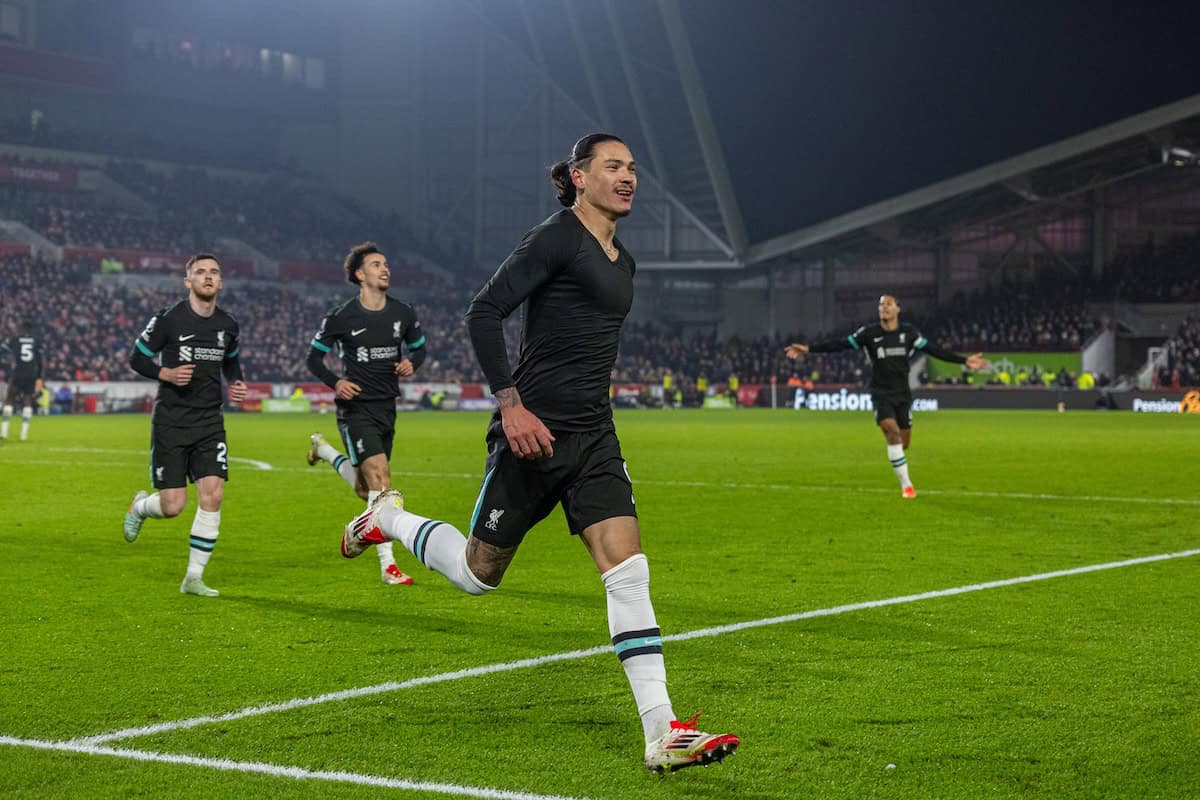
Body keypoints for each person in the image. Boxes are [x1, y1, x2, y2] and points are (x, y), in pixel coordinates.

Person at [337, 134, 739, 773]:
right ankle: (386, 518)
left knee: (628, 569)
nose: (627, 177)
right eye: (613, 167)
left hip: (595, 437)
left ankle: (662, 733)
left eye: (633, 168)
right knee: (478, 574)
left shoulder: (623, 261)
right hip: (534, 435)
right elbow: (484, 312)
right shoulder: (556, 237)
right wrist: (511, 403)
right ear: (580, 178)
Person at [122, 253, 247, 596]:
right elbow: (136, 357)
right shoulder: (168, 320)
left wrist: (235, 382)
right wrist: (166, 373)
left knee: (214, 495)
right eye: (201, 272)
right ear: (188, 281)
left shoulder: (228, 324)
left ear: (220, 282)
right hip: (172, 422)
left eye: (214, 272)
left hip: (210, 421)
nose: (208, 277)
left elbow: (232, 361)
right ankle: (140, 506)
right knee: (173, 506)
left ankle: (193, 577)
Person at [304, 241, 428, 587]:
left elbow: (420, 349)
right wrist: (336, 382)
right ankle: (388, 565)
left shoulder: (403, 312)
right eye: (376, 265)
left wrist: (410, 363)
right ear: (360, 275)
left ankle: (323, 450)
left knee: (365, 489)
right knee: (381, 480)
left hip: (386, 405)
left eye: (386, 264)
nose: (384, 269)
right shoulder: (342, 316)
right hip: (355, 409)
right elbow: (314, 358)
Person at [786, 294, 988, 497]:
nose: (884, 308)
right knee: (892, 432)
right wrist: (809, 349)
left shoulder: (909, 333)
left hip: (902, 394)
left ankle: (898, 457)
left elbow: (933, 350)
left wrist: (964, 361)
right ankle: (907, 486)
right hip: (880, 393)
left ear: (898, 309)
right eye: (881, 305)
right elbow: (839, 344)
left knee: (903, 443)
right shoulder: (869, 333)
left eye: (888, 304)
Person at [1, 319, 44, 441]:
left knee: (9, 400)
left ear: (22, 329)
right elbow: (40, 361)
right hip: (31, 374)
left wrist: (7, 360)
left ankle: (4, 432)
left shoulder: (15, 339)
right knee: (27, 401)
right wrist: (39, 377)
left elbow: (2, 348)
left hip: (18, 372)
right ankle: (23, 435)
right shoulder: (37, 341)